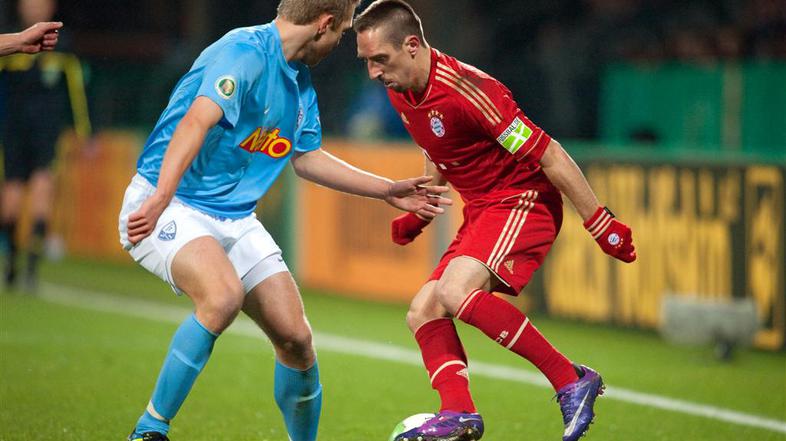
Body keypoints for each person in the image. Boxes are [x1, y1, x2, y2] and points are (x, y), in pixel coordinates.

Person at [117, 1, 451, 440]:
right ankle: (149, 430)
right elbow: (196, 122)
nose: (341, 44)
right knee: (221, 298)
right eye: (342, 32)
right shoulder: (244, 52)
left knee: (296, 339)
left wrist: (386, 190)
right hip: (171, 201)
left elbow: (306, 157)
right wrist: (161, 196)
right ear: (324, 24)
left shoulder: (299, 81)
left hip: (234, 218)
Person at [354, 1, 637, 440]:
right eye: (366, 61)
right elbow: (438, 148)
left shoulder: (472, 90)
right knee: (423, 310)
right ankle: (459, 413)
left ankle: (571, 379)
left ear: (412, 45)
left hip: (523, 201)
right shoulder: (401, 89)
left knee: (453, 291)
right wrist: (424, 210)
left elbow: (549, 154)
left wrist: (599, 221)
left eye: (380, 60)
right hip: (483, 209)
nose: (373, 72)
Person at [1, 0, 75, 291]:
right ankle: (12, 260)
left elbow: (76, 90)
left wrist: (83, 129)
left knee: (43, 187)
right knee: (13, 192)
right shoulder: (12, 39)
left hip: (47, 130)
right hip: (14, 129)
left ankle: (30, 265)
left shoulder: (62, 44)